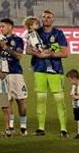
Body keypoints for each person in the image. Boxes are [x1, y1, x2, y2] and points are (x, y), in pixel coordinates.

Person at [28, 9, 70, 137]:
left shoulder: (58, 33)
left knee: (59, 100)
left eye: (48, 17)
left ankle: (63, 129)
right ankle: (41, 128)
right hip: (39, 69)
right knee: (41, 99)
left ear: (53, 19)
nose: (46, 19)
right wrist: (38, 54)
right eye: (44, 17)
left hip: (55, 70)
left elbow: (65, 53)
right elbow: (28, 49)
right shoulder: (35, 33)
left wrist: (51, 53)